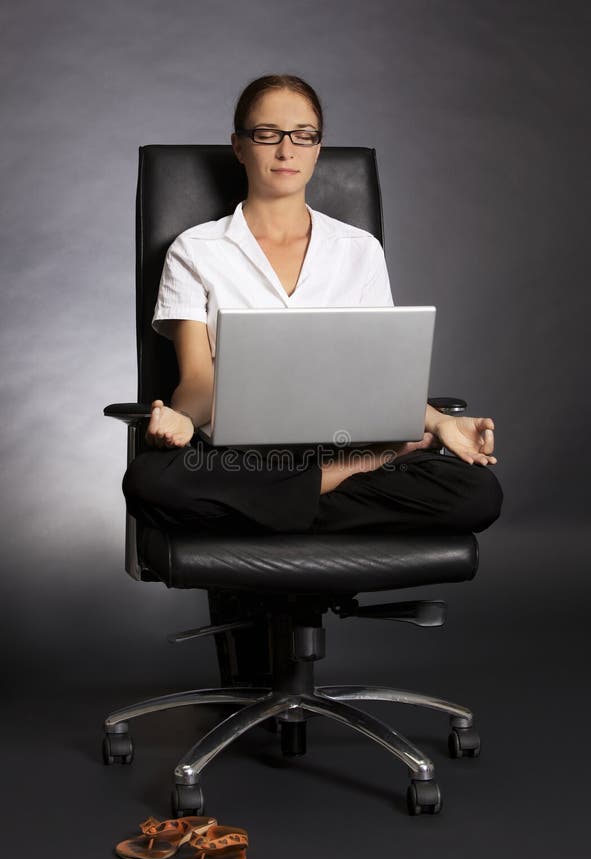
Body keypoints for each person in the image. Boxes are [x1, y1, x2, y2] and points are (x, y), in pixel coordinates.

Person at [122, 73, 503, 540]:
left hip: (339, 439)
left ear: (318, 147)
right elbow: (199, 382)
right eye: (267, 134)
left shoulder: (359, 249)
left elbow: (380, 373)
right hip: (243, 458)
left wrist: (441, 423)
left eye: (304, 136)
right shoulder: (196, 249)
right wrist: (180, 419)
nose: (287, 150)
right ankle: (355, 470)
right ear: (239, 146)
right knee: (150, 482)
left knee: (477, 492)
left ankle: (273, 507)